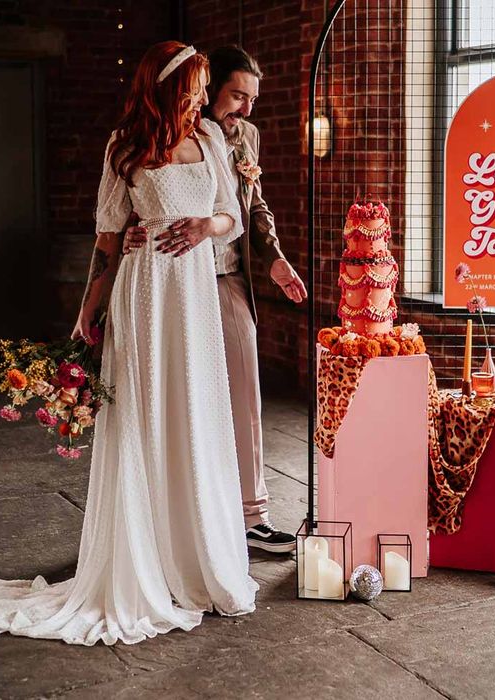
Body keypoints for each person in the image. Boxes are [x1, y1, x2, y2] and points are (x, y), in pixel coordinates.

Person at [0, 42, 258, 646]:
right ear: (168, 87)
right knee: (145, 420)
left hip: (193, 299)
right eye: (195, 84)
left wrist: (205, 226)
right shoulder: (124, 148)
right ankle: (144, 558)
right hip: (144, 298)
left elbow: (233, 217)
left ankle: (196, 555)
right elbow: (108, 242)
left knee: (194, 417)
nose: (202, 94)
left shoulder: (213, 140)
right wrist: (85, 315)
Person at [123, 46, 307, 554]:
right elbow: (129, 205)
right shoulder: (169, 133)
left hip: (224, 280)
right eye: (235, 95)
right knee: (172, 399)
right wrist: (128, 237)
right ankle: (171, 517)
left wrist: (273, 257)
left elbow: (254, 205)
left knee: (244, 392)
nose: (244, 108)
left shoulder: (245, 138)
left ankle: (251, 516)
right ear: (206, 93)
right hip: (167, 284)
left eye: (251, 99)